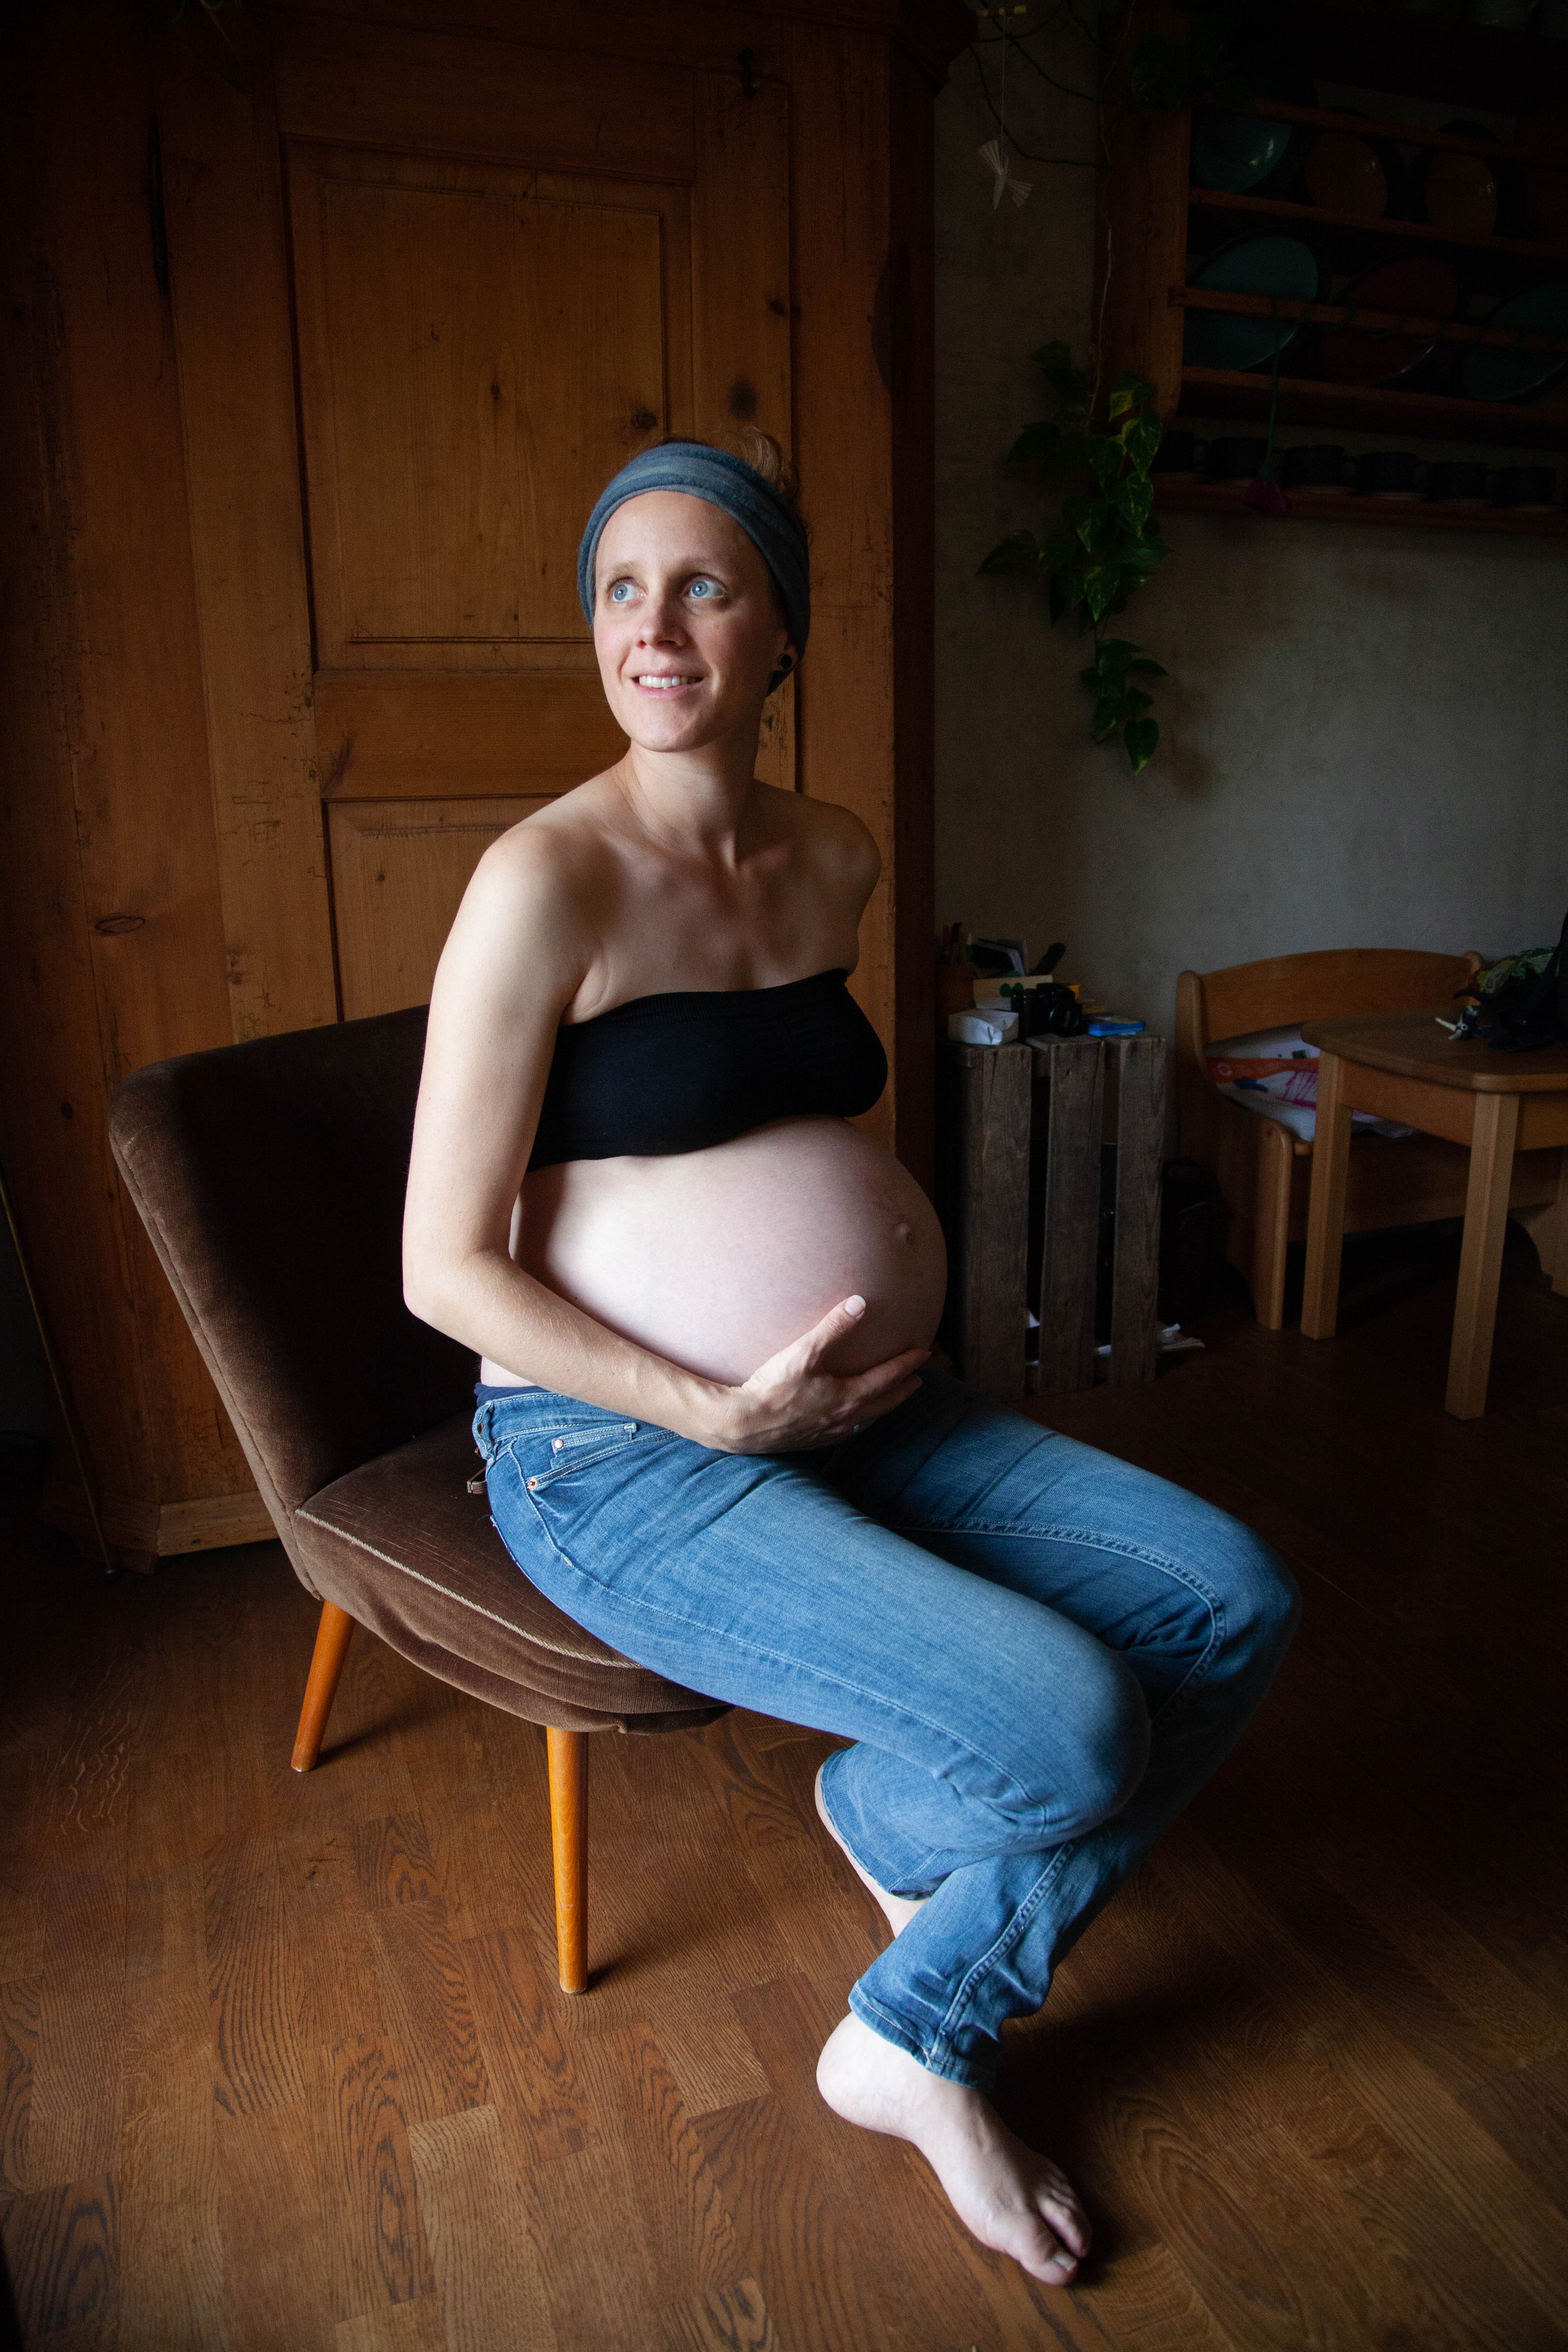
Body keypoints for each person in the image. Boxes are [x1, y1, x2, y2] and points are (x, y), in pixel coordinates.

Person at [403, 432, 1299, 2287]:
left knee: (1231, 1595)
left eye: (705, 584)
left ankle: (900, 1934)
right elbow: (439, 1270)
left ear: (783, 625)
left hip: (873, 1414)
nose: (655, 628)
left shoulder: (835, 855)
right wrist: (719, 1403)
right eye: (620, 589)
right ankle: (928, 2036)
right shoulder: (539, 883)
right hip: (624, 1455)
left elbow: (792, 1123)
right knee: (1073, 1726)